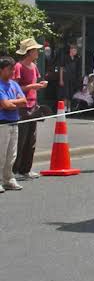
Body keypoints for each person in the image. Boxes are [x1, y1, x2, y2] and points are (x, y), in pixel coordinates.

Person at [13, 38, 47, 180]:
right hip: (22, 107)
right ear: (29, 52)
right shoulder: (18, 66)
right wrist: (32, 86)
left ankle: (26, 169)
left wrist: (39, 85)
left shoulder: (34, 66)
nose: (38, 52)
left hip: (33, 105)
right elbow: (14, 88)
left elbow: (34, 82)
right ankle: (15, 170)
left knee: (31, 139)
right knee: (21, 139)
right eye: (35, 50)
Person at [0, 57, 27, 192]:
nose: (12, 72)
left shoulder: (14, 85)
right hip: (2, 123)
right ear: (1, 70)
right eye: (10, 69)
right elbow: (6, 105)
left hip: (14, 122)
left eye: (13, 69)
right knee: (1, 154)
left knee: (12, 154)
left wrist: (10, 102)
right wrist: (12, 102)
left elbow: (24, 101)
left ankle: (8, 179)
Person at [60, 44, 82, 111]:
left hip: (73, 78)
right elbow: (61, 68)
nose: (75, 52)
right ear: (70, 50)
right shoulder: (65, 57)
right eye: (74, 50)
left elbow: (78, 69)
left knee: (70, 94)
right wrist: (61, 79)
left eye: (76, 50)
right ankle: (64, 108)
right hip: (66, 78)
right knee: (65, 94)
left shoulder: (77, 59)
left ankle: (69, 108)